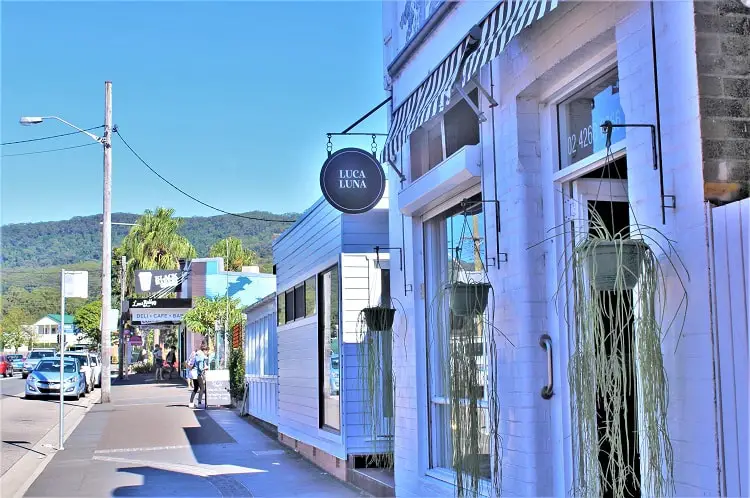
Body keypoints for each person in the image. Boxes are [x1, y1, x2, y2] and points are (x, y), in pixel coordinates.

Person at [189, 343, 208, 409]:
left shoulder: (197, 354)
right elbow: (200, 367)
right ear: (204, 350)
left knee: (196, 388)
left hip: (194, 373)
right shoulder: (201, 356)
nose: (207, 352)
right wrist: (205, 368)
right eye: (207, 351)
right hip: (197, 374)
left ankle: (191, 403)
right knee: (202, 388)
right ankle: (199, 403)